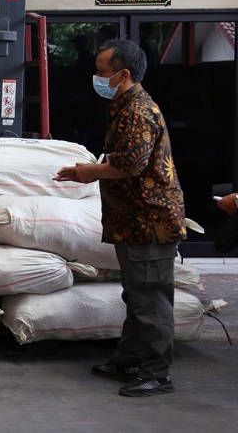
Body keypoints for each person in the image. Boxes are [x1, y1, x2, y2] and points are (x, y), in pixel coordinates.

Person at [54, 39, 187, 398]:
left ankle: (157, 374)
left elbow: (131, 165)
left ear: (123, 74)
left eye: (102, 70)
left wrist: (89, 172)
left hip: (150, 222)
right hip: (133, 221)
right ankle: (128, 360)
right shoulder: (123, 106)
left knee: (151, 299)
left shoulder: (137, 111)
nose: (96, 76)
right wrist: (87, 172)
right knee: (137, 296)